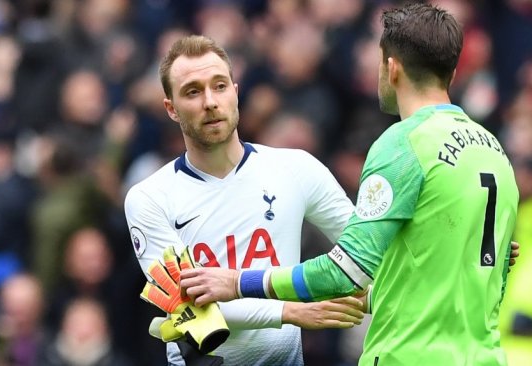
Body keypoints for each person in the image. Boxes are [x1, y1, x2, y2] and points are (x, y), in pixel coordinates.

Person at [180, 4, 520, 366]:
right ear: (451, 71)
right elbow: (482, 279)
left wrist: (238, 282)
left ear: (391, 67)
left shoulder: (404, 145)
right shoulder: (494, 150)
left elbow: (344, 272)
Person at [123, 35, 366, 366]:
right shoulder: (149, 197)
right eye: (193, 91)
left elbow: (365, 253)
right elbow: (189, 306)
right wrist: (291, 311)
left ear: (236, 92)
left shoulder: (296, 168)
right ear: (171, 109)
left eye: (219, 86)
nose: (210, 101)